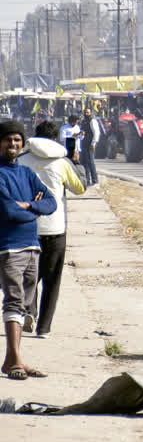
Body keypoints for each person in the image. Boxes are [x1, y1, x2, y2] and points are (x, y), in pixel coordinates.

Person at [0, 121, 57, 380]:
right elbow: (8, 211)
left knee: (24, 306)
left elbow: (51, 202)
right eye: (8, 140)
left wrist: (29, 207)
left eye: (17, 140)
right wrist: (28, 208)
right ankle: (17, 362)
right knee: (13, 302)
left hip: (33, 245)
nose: (13, 144)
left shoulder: (26, 173)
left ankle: (12, 360)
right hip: (9, 248)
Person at [20, 121, 84, 337]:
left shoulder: (21, 160)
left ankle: (29, 309)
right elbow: (80, 188)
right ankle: (44, 328)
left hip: (27, 227)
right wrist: (77, 163)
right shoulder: (62, 162)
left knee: (28, 277)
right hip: (55, 228)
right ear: (56, 139)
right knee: (52, 280)